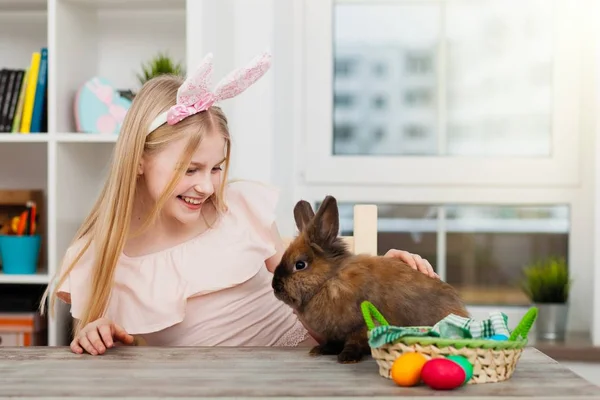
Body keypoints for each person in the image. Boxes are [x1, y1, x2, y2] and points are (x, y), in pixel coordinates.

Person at [40, 51, 438, 356]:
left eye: (216, 168)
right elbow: (98, 350)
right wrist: (93, 336)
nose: (207, 186)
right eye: (190, 169)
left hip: (305, 365)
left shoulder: (240, 210)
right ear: (140, 159)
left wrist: (382, 276)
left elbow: (318, 294)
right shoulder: (102, 254)